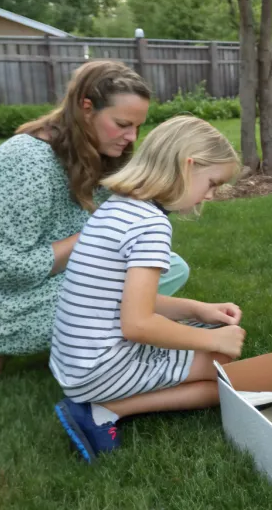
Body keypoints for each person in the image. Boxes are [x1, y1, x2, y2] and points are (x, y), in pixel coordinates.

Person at [0, 61, 189, 382]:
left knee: (168, 267)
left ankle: (85, 342)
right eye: (122, 124)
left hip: (47, 274)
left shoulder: (97, 151)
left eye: (137, 126)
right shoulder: (28, 162)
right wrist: (97, 234)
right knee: (122, 288)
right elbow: (8, 270)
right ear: (86, 108)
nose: (131, 137)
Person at [50, 115, 245, 463]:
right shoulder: (151, 225)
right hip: (101, 368)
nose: (212, 195)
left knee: (209, 337)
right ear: (188, 167)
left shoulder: (118, 206)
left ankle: (99, 402)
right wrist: (213, 340)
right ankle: (104, 410)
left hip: (74, 362)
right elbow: (137, 324)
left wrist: (196, 310)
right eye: (212, 182)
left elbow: (124, 301)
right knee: (223, 374)